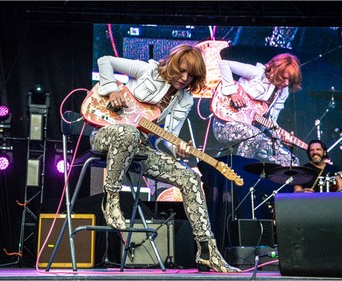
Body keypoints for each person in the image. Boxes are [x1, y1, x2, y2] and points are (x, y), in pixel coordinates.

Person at [90, 44, 240, 273]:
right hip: (107, 134)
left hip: (140, 149)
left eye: (191, 75)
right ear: (172, 64)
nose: (184, 78)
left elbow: (167, 139)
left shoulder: (185, 100)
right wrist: (112, 90)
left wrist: (178, 147)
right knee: (128, 133)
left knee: (189, 178)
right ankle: (111, 200)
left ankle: (208, 251)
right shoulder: (146, 71)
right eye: (181, 70)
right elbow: (104, 60)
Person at [212, 53, 303, 166]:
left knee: (291, 162)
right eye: (284, 78)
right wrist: (233, 93)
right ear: (275, 70)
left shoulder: (283, 92)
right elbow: (224, 64)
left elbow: (271, 122)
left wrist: (280, 135)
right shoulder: (257, 73)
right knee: (254, 134)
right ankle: (238, 172)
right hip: (224, 123)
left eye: (290, 80)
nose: (286, 83)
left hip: (255, 133)